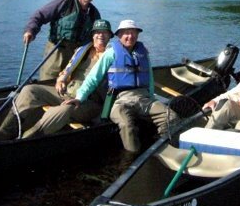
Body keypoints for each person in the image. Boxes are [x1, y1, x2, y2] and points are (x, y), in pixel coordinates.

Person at [0, 19, 113, 140]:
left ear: (110, 36)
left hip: (89, 102)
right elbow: (67, 69)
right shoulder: (83, 50)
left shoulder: (113, 56)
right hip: (67, 92)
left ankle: (28, 138)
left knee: (64, 109)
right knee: (30, 90)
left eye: (104, 32)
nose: (100, 35)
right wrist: (61, 79)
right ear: (92, 35)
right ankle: (5, 131)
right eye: (97, 32)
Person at [63, 19, 179, 153]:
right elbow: (92, 78)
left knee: (172, 116)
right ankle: (132, 157)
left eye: (133, 33)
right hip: (120, 100)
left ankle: (161, 144)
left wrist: (152, 96)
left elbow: (150, 79)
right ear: (119, 35)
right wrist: (79, 98)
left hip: (144, 98)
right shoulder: (111, 53)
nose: (130, 36)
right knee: (126, 124)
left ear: (137, 35)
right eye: (126, 33)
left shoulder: (143, 54)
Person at [23, 0, 101, 80]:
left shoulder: (94, 13)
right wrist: (30, 31)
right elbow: (40, 15)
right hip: (56, 52)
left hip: (77, 57)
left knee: (70, 86)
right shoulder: (64, 2)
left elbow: (98, 36)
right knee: (47, 81)